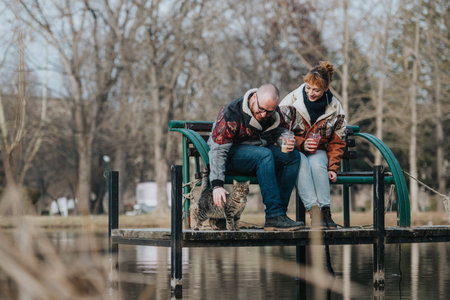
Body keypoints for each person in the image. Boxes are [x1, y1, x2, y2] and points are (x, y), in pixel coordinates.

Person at [208, 84, 304, 230]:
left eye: (269, 111)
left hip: (259, 156)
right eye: (262, 110)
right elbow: (218, 151)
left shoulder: (274, 113)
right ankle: (274, 214)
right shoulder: (232, 112)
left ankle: (278, 215)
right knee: (264, 155)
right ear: (254, 98)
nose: (265, 115)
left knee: (292, 157)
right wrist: (217, 185)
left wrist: (286, 139)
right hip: (231, 156)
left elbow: (282, 131)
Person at [279, 61, 347, 228]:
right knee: (301, 162)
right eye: (308, 87)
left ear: (326, 89)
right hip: (295, 150)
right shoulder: (291, 101)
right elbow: (279, 130)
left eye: (316, 90)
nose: (310, 93)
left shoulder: (335, 107)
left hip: (320, 151)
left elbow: (338, 141)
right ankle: (314, 212)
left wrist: (332, 167)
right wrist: (301, 143)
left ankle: (326, 211)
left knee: (317, 165)